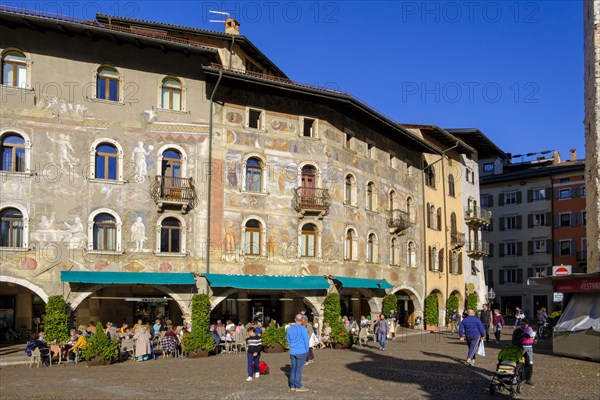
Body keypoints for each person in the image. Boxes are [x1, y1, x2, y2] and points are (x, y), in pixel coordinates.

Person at [286, 314, 310, 392]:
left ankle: (292, 385)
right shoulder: (303, 329)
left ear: (295, 319)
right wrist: (307, 350)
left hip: (293, 351)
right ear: (302, 320)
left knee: (293, 368)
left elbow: (288, 340)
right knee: (298, 369)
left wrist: (292, 346)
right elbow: (306, 341)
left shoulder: (289, 329)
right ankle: (298, 386)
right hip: (301, 351)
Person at [512, 319, 536, 387]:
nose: (522, 326)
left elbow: (534, 339)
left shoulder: (530, 331)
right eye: (521, 324)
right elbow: (513, 341)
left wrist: (534, 341)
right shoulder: (517, 331)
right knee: (519, 363)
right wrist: (520, 340)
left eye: (524, 324)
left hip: (528, 348)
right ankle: (516, 377)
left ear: (527, 325)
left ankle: (528, 379)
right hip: (520, 348)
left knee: (529, 363)